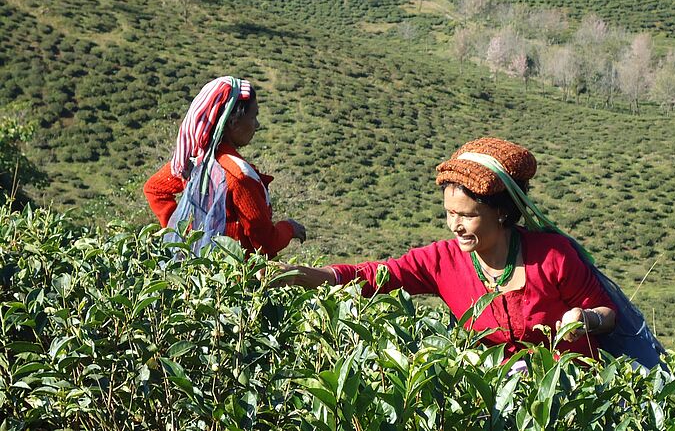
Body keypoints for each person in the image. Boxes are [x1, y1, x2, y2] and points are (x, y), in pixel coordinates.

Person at [283, 137, 616, 359]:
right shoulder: (442, 260)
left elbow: (607, 313)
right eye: (449, 213)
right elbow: (375, 276)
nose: (455, 225)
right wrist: (301, 276)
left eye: (467, 216)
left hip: (571, 396)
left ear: (501, 212)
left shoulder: (551, 256)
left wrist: (586, 318)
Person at [144, 76, 305, 258]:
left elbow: (155, 189)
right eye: (253, 117)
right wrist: (289, 227)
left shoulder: (197, 158)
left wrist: (184, 236)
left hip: (201, 270)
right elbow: (267, 242)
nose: (257, 125)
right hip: (235, 278)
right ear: (232, 122)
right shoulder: (239, 177)